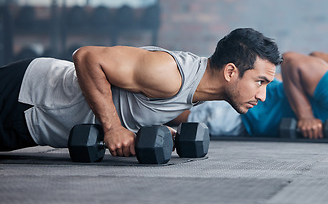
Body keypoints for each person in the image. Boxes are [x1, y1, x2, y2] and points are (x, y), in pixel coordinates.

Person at [0, 28, 283, 156]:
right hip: (27, 97)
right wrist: (113, 127)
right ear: (231, 72)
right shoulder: (171, 74)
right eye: (260, 82)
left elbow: (138, 103)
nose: (263, 96)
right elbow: (87, 57)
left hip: (32, 123)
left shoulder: (196, 91)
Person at [174, 51, 328, 139]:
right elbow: (294, 60)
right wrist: (305, 114)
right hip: (243, 114)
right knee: (163, 114)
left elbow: (318, 56)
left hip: (257, 110)